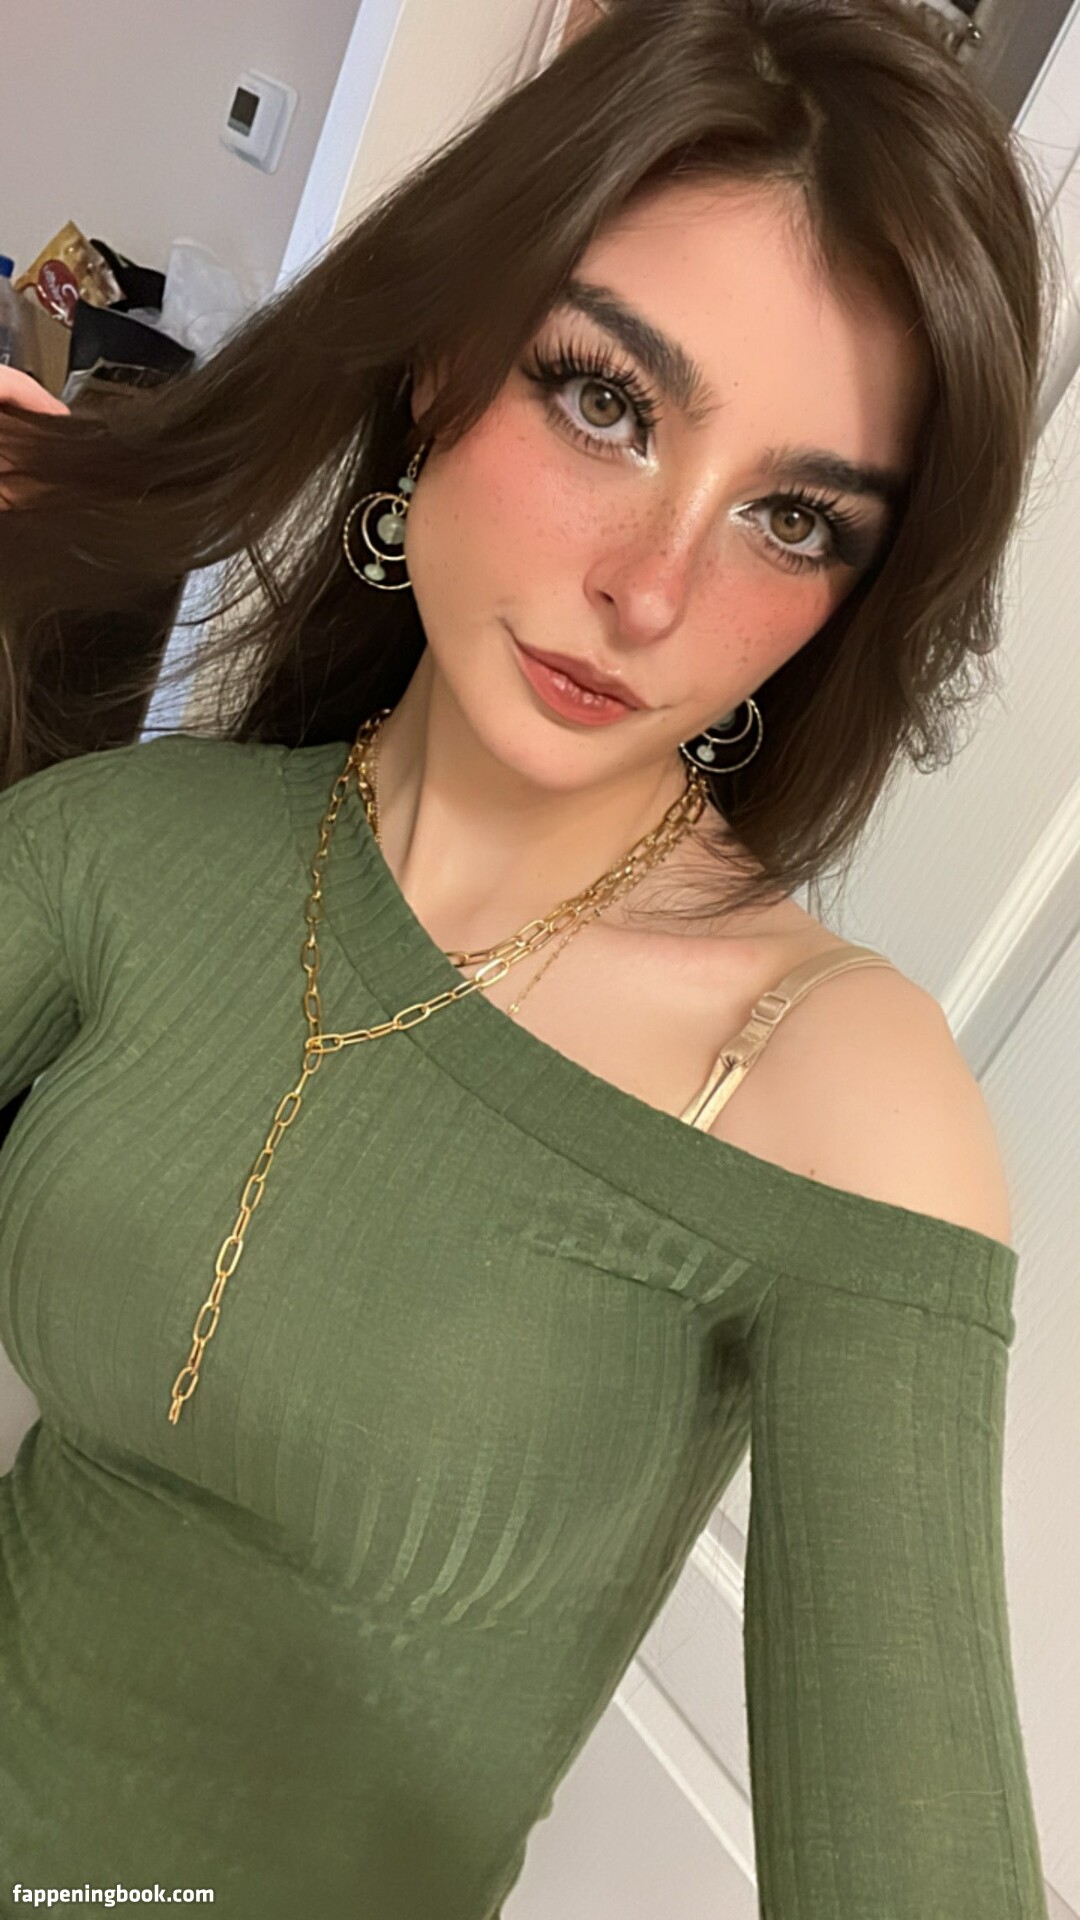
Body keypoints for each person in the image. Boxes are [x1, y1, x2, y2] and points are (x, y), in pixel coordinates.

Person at [0, 0, 1057, 1914]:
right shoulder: (121, 851)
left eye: (793, 518)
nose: (652, 588)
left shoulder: (832, 1085)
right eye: (608, 401)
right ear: (446, 361)